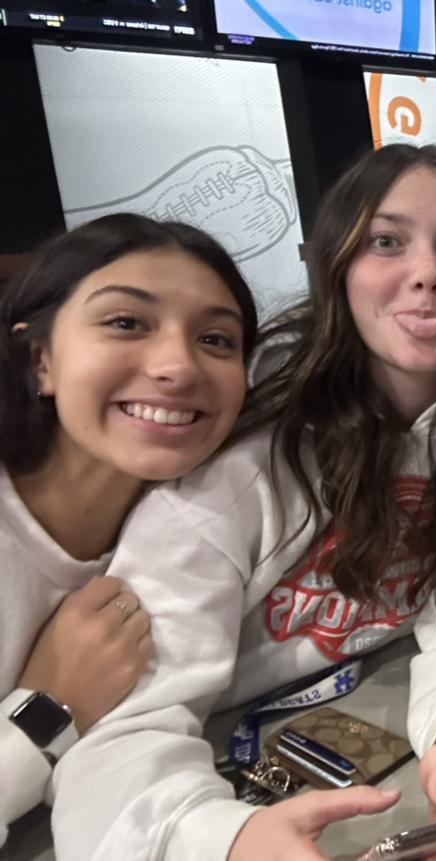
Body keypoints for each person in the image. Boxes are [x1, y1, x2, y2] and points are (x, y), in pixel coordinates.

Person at [48, 143, 436, 861]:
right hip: (197, 767)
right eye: (386, 242)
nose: (427, 273)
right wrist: (226, 840)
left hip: (351, 728)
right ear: (335, 266)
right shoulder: (249, 448)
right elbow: (122, 732)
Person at [0, 213, 258, 847]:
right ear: (39, 360)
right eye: (125, 323)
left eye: (216, 339)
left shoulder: (198, 521)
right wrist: (49, 708)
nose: (178, 367)